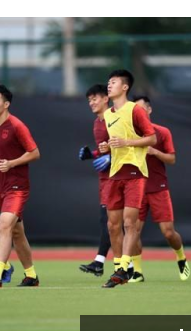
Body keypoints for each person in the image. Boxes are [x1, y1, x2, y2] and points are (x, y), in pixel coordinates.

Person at [0, 85, 41, 288]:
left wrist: (12, 164)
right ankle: (31, 276)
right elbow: (1, 151)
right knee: (16, 233)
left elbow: (35, 152)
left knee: (3, 225)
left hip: (17, 187)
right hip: (1, 186)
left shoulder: (17, 125)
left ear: (6, 104)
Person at [99, 70, 156, 288]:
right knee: (113, 225)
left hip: (134, 172)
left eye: (112, 82)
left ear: (125, 87)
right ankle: (118, 270)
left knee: (129, 223)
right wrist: (106, 147)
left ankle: (124, 268)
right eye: (108, 82)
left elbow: (151, 138)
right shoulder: (108, 115)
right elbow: (115, 142)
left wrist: (126, 142)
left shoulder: (135, 110)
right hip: (115, 173)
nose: (108, 85)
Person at [130, 96, 190, 283]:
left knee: (168, 232)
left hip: (158, 188)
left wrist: (155, 152)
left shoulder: (162, 132)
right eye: (135, 110)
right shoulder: (129, 134)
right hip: (136, 189)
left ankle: (181, 257)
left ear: (149, 110)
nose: (139, 113)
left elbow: (172, 159)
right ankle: (137, 272)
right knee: (132, 231)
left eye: (142, 109)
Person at [78, 84, 112, 277]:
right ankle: (104, 263)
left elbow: (125, 147)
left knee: (116, 223)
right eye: (89, 100)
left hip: (120, 176)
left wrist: (111, 158)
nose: (91, 103)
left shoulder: (114, 118)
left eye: (95, 98)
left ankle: (127, 267)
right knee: (108, 222)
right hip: (105, 178)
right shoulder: (97, 123)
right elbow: (105, 150)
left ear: (106, 98)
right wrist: (92, 154)